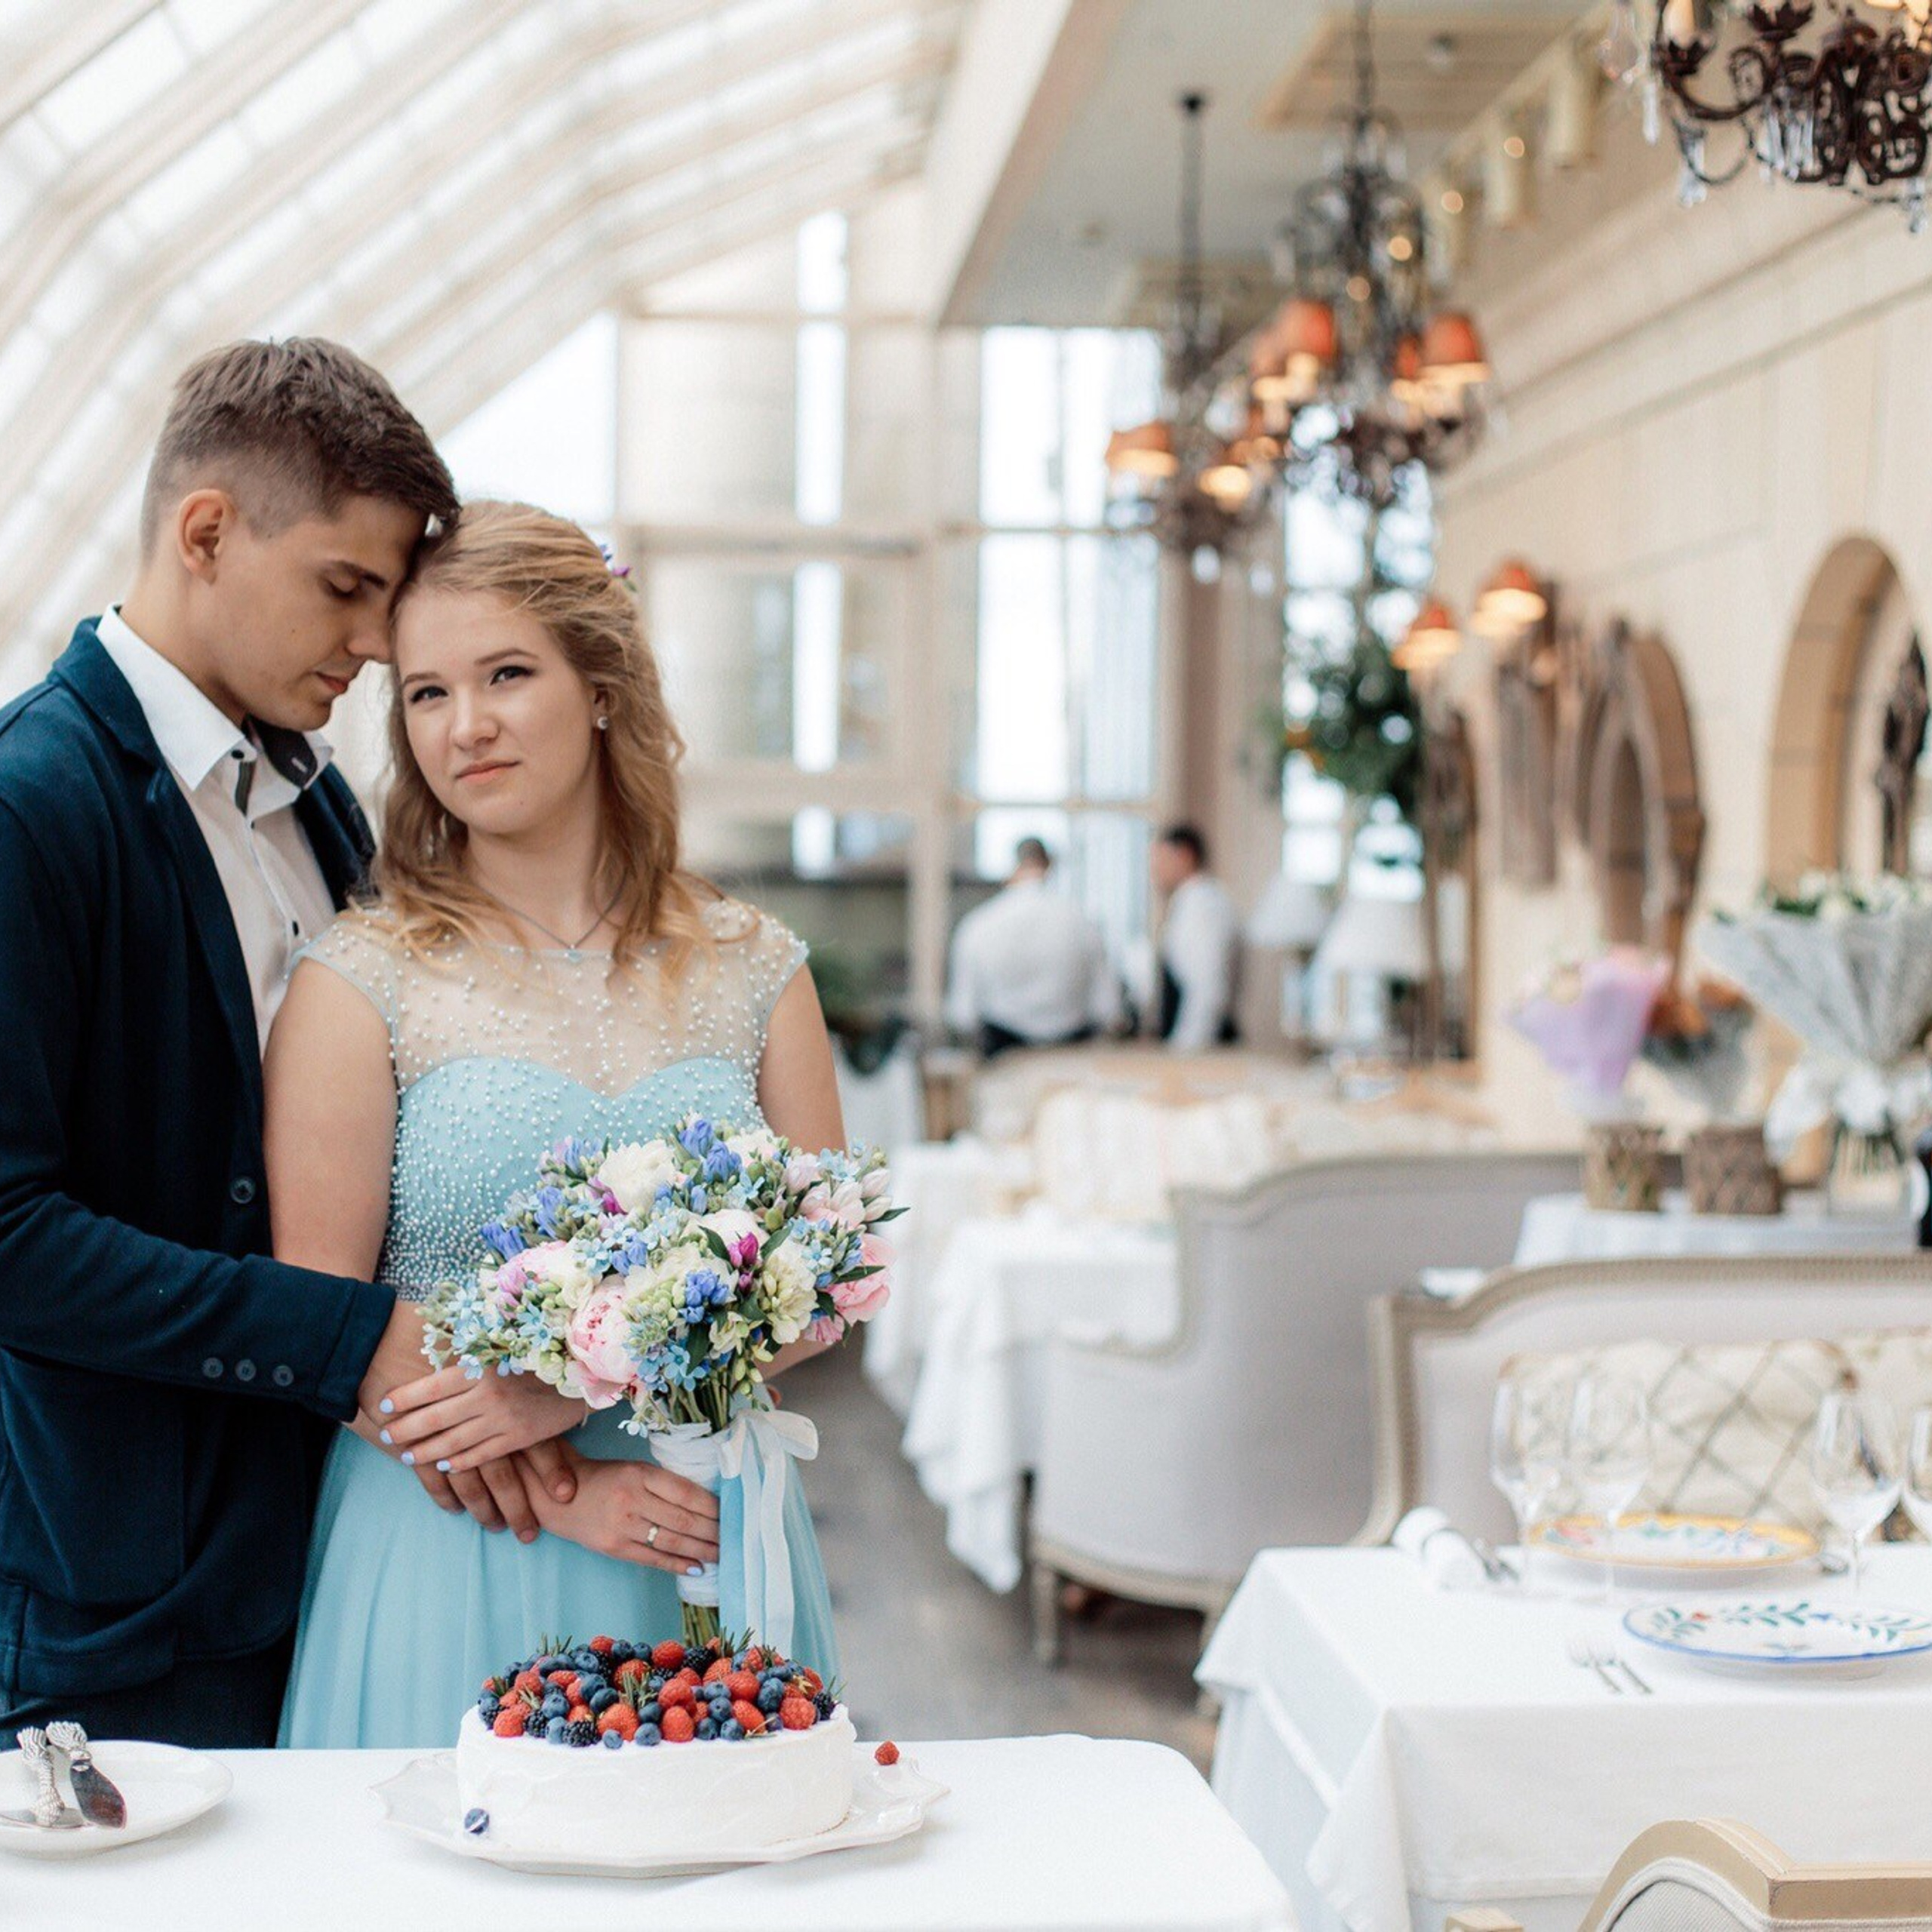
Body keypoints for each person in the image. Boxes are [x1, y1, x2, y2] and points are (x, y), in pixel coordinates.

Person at [0, 341, 586, 1749]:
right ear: (207, 531)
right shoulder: (32, 806)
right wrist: (356, 1336)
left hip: (337, 1548)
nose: (382, 643)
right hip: (123, 1598)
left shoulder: (319, 809)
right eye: (348, 585)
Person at [272, 502, 844, 1748]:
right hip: (449, 1539)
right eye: (425, 693)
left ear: (600, 688)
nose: (463, 725)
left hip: (709, 1531)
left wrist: (595, 1373)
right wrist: (563, 1478)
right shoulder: (357, 979)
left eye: (507, 674)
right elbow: (317, 1318)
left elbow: (832, 1281)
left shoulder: (755, 966)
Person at [945, 837, 1121, 1057]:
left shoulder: (979, 924)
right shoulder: (1082, 922)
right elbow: (1108, 1009)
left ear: (1012, 866)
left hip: (1003, 1054)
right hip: (1069, 1055)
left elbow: (963, 1015)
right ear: (1048, 865)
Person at [1152, 823, 1241, 1049]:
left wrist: (1184, 1051)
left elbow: (1208, 987)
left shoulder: (1201, 905)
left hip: (1201, 1048)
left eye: (1161, 859)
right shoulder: (1196, 900)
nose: (1155, 869)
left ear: (1185, 856)